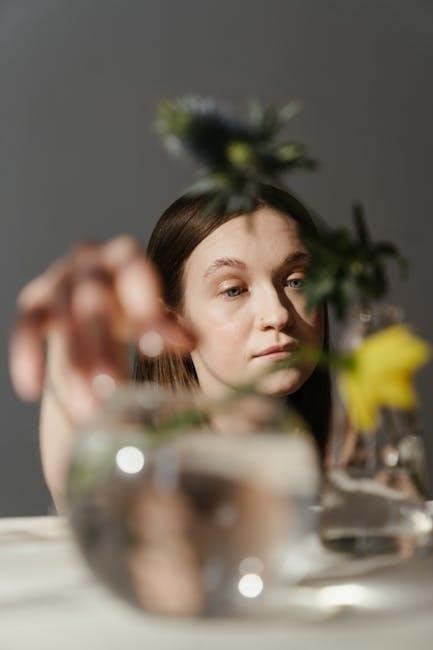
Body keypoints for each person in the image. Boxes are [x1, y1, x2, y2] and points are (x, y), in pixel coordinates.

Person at [9, 184, 331, 512]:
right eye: (233, 290)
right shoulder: (148, 475)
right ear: (172, 319)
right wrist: (69, 345)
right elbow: (85, 487)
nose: (276, 314)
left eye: (296, 281)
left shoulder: (352, 456)